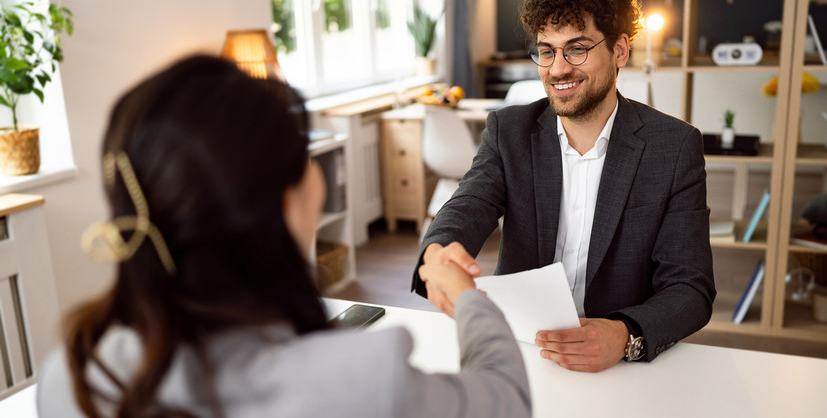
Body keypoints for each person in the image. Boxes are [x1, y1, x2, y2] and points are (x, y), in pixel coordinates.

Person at [37, 55, 531, 418]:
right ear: (283, 200)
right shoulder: (357, 384)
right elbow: (506, 397)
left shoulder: (72, 375)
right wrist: (468, 299)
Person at [412, 0, 715, 373]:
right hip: (523, 349)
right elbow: (468, 202)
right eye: (547, 50)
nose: (557, 69)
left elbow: (690, 288)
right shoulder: (509, 131)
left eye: (577, 48)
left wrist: (624, 336)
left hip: (617, 363)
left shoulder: (674, 146)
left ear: (620, 50)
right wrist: (437, 251)